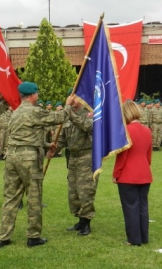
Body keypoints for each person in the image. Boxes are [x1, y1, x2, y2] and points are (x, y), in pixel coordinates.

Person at [0, 82, 70, 249]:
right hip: (29, 158)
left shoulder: (16, 112)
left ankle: (4, 237)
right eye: (37, 93)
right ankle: (33, 236)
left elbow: (23, 134)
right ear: (32, 95)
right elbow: (59, 117)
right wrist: (68, 104)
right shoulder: (34, 111)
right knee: (34, 196)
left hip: (12, 156)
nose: (38, 96)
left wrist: (45, 144)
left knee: (11, 197)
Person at [51, 95, 97, 236]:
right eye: (70, 97)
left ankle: (86, 222)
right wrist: (54, 148)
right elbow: (63, 137)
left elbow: (87, 126)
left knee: (86, 191)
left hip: (87, 156)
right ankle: (80, 220)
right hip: (72, 158)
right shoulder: (68, 115)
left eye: (75, 97)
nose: (71, 100)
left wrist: (69, 112)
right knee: (74, 192)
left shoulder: (90, 113)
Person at [113, 100, 152, 246]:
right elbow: (148, 156)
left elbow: (122, 157)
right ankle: (144, 237)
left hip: (128, 176)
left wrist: (116, 174)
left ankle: (134, 239)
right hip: (144, 174)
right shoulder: (147, 130)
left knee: (130, 208)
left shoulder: (125, 131)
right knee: (142, 207)